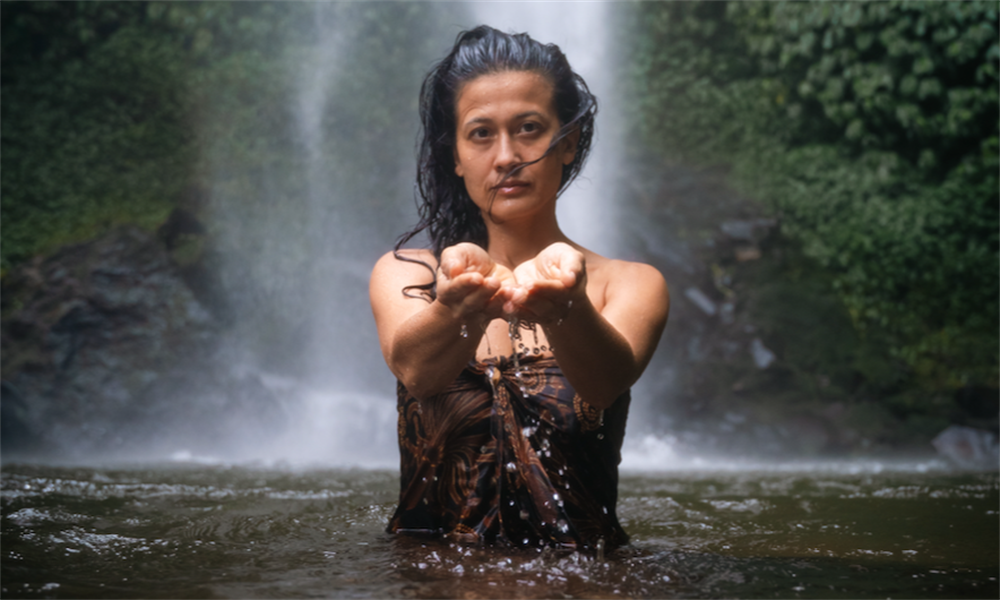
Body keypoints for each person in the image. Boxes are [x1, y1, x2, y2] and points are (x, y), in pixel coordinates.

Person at [369, 26, 669, 551]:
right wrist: (460, 305)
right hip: (428, 579)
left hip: (586, 581)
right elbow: (418, 372)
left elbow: (604, 384)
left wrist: (567, 309)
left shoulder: (632, 284)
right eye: (481, 133)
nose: (507, 156)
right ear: (456, 156)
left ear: (568, 141)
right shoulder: (410, 274)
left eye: (529, 128)